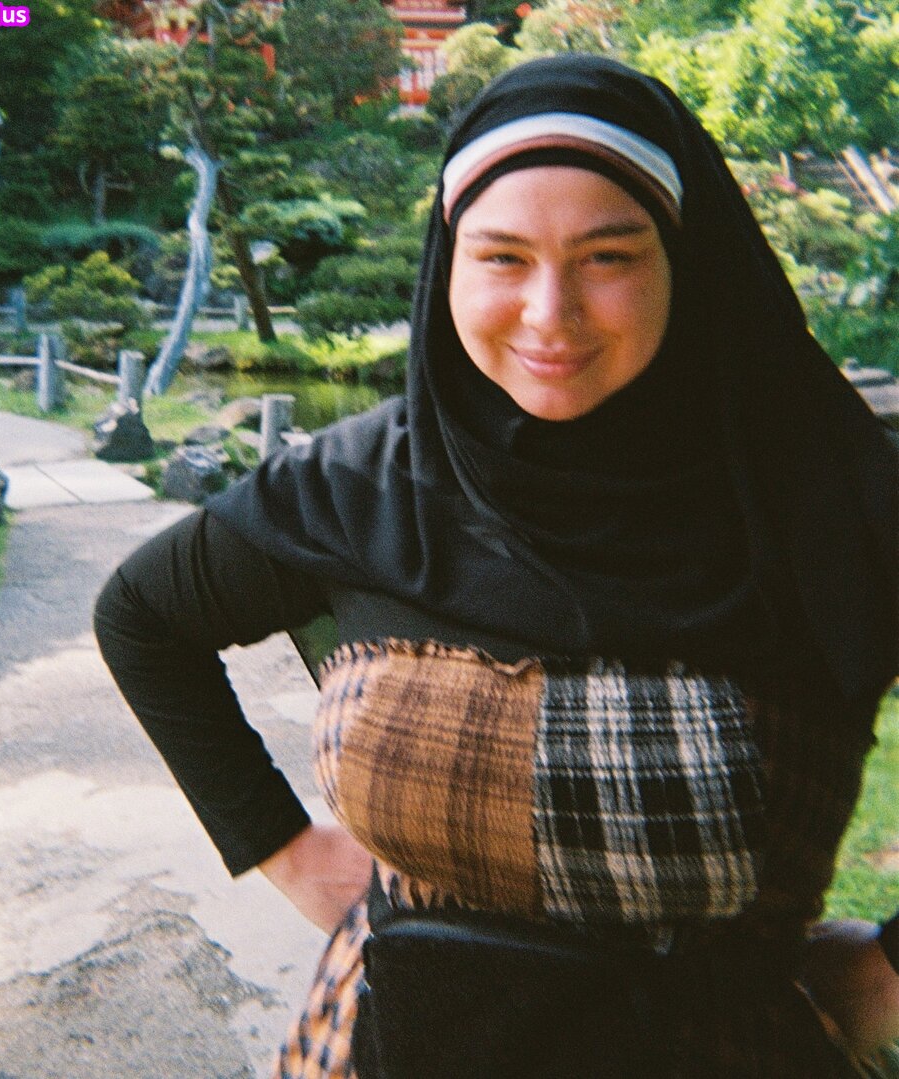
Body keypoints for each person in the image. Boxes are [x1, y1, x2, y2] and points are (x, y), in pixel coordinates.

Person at [94, 54, 898, 1077]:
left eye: (609, 255)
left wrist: (888, 972)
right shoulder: (367, 482)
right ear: (449, 263)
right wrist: (282, 848)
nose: (551, 311)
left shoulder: (828, 502)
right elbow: (143, 615)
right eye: (503, 256)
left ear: (684, 259)